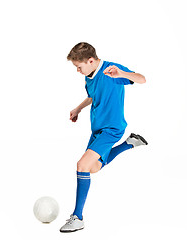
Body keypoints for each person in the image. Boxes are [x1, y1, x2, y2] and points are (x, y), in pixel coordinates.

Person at [60, 42, 148, 233]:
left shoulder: (112, 70)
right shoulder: (89, 77)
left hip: (112, 128)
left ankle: (78, 217)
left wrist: (122, 74)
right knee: (94, 168)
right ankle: (129, 144)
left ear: (91, 60)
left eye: (79, 67)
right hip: (97, 130)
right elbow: (93, 96)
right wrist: (78, 109)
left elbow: (142, 79)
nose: (77, 71)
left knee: (81, 165)